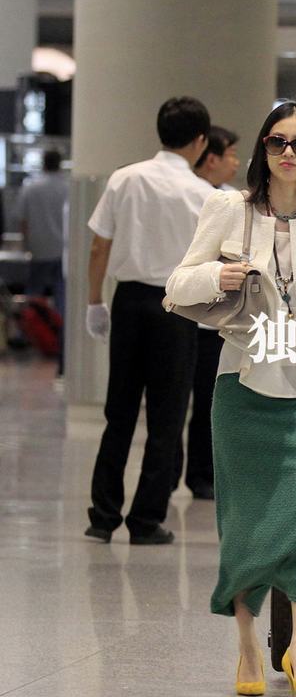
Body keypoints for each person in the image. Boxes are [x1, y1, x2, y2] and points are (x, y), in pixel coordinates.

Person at [166, 101, 296, 697]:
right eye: (278, 142)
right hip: (241, 387)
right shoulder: (229, 207)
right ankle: (248, 646)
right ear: (262, 150)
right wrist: (216, 278)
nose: (288, 153)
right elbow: (177, 284)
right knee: (245, 523)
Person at [84, 96, 213, 545]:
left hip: (129, 301)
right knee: (166, 416)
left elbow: (99, 246)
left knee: (118, 411)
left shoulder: (125, 177)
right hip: (177, 307)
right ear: (200, 141)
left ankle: (102, 517)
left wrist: (95, 302)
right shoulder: (204, 194)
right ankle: (145, 520)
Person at [174, 126, 240, 499]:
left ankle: (202, 474)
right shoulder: (191, 196)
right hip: (183, 312)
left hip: (216, 320)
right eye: (231, 154)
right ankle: (170, 475)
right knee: (173, 401)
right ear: (211, 158)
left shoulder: (233, 201)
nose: (236, 162)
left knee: (207, 401)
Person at [17, 149, 69, 374]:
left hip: (39, 249)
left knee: (34, 296)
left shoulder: (31, 187)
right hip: (62, 250)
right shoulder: (68, 187)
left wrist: (26, 245)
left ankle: (28, 335)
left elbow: (23, 220)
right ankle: (60, 336)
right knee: (61, 297)